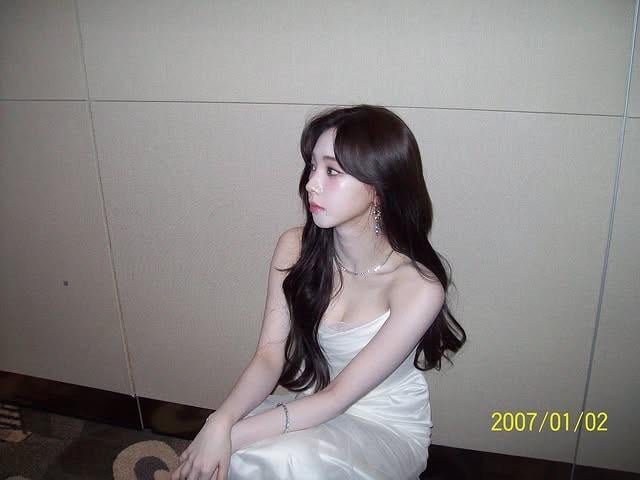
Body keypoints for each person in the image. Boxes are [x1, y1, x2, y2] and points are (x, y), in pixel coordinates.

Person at [170, 105, 466, 480]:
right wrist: (220, 420)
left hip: (382, 426)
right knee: (243, 450)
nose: (311, 183)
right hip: (312, 402)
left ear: (377, 188)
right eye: (312, 166)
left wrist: (230, 436)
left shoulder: (417, 288)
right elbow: (269, 355)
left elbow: (338, 396)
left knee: (274, 457)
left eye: (332, 171)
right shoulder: (294, 247)